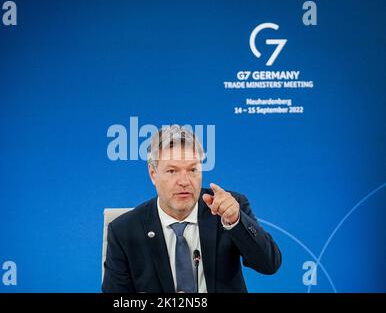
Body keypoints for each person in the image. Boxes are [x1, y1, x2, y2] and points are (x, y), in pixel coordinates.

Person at [102, 125, 281, 293]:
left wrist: (236, 221)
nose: (184, 181)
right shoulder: (123, 231)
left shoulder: (227, 209)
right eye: (172, 171)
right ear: (153, 174)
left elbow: (269, 264)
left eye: (192, 170)